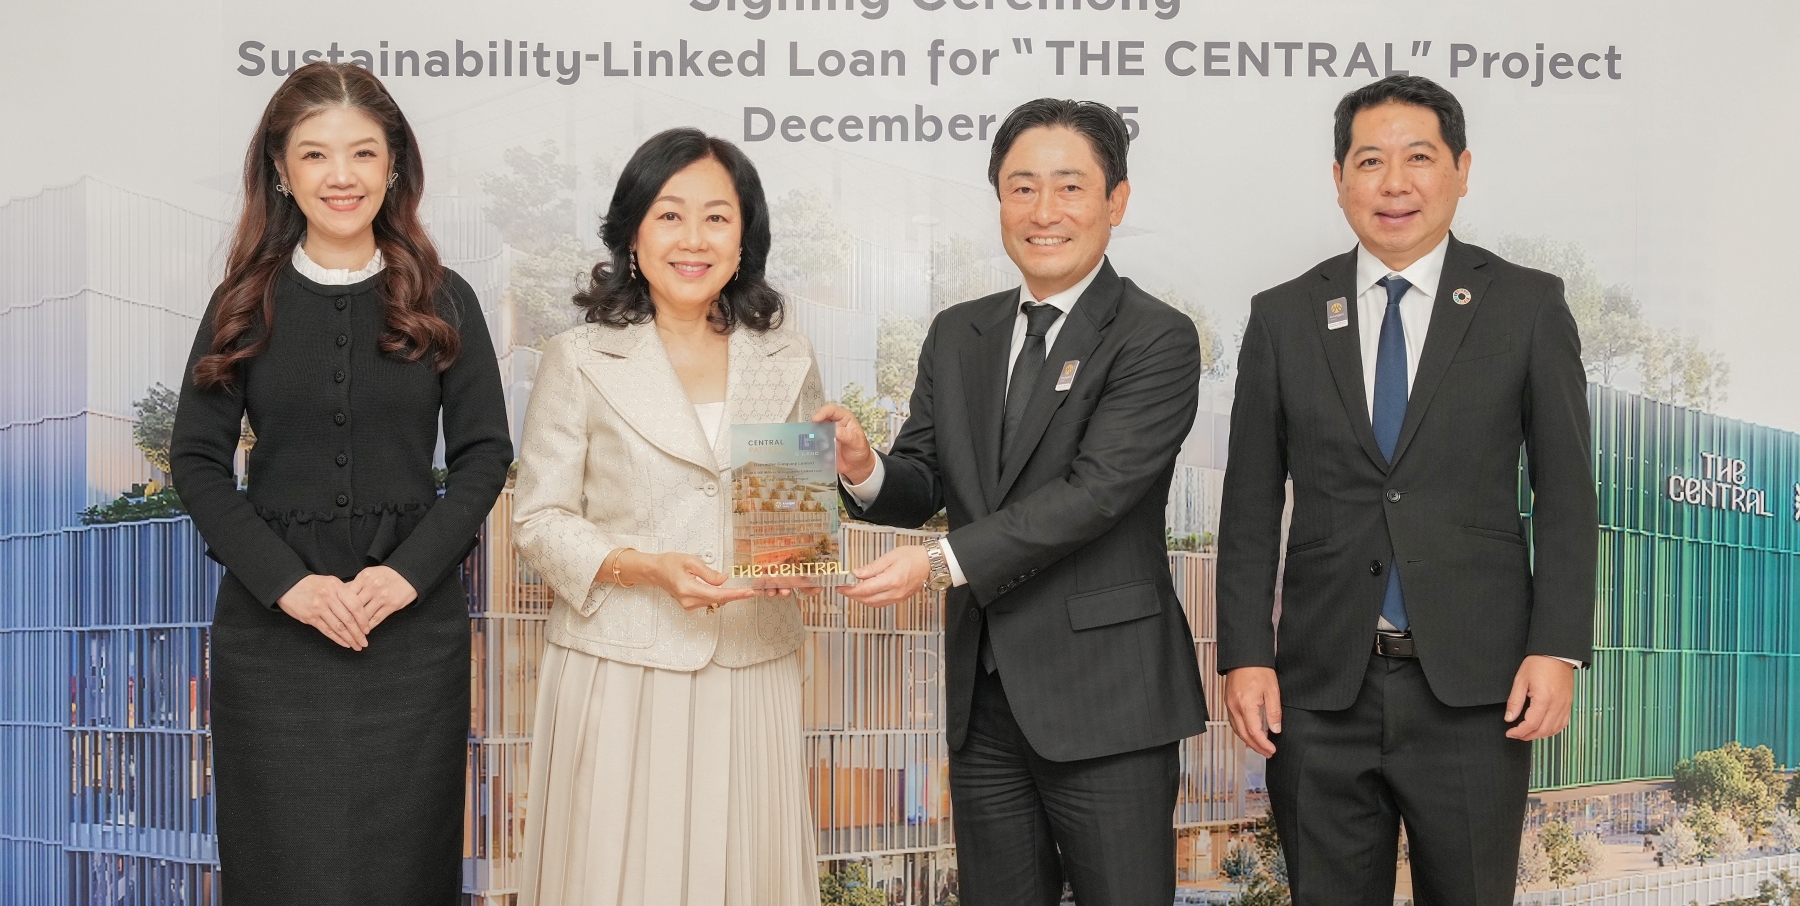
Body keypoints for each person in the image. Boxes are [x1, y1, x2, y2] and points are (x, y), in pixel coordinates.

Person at [1216, 74, 1598, 906]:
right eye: (1370, 161)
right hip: (1320, 690)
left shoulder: (1526, 305)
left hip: (1475, 689)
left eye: (1419, 158)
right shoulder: (1283, 316)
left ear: (1462, 169)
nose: (1395, 183)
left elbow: (1568, 495)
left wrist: (1557, 647)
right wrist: (1245, 655)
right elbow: (1248, 507)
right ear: (1338, 178)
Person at [819, 99, 1208, 906]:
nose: (1043, 211)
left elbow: (1096, 493)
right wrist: (863, 467)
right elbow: (924, 479)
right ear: (999, 199)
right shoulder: (958, 333)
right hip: (985, 702)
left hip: (1109, 700)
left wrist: (940, 564)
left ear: (1116, 201)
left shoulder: (1155, 336)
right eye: (1022, 188)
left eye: (1070, 187)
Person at [169, 63, 513, 904]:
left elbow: (484, 455)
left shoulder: (444, 299)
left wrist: (404, 577)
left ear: (394, 165)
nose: (341, 176)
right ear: (281, 170)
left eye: (363, 152)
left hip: (412, 634)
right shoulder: (241, 303)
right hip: (272, 637)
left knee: (405, 870)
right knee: (282, 869)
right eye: (315, 154)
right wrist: (288, 585)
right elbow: (197, 461)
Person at [512, 128, 827, 906]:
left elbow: (792, 529)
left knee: (744, 877)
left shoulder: (785, 356)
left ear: (745, 238)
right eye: (670, 215)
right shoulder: (578, 357)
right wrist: (646, 568)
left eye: (717, 218)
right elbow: (540, 519)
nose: (694, 239)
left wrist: (796, 561)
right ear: (633, 233)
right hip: (621, 665)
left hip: (752, 664)